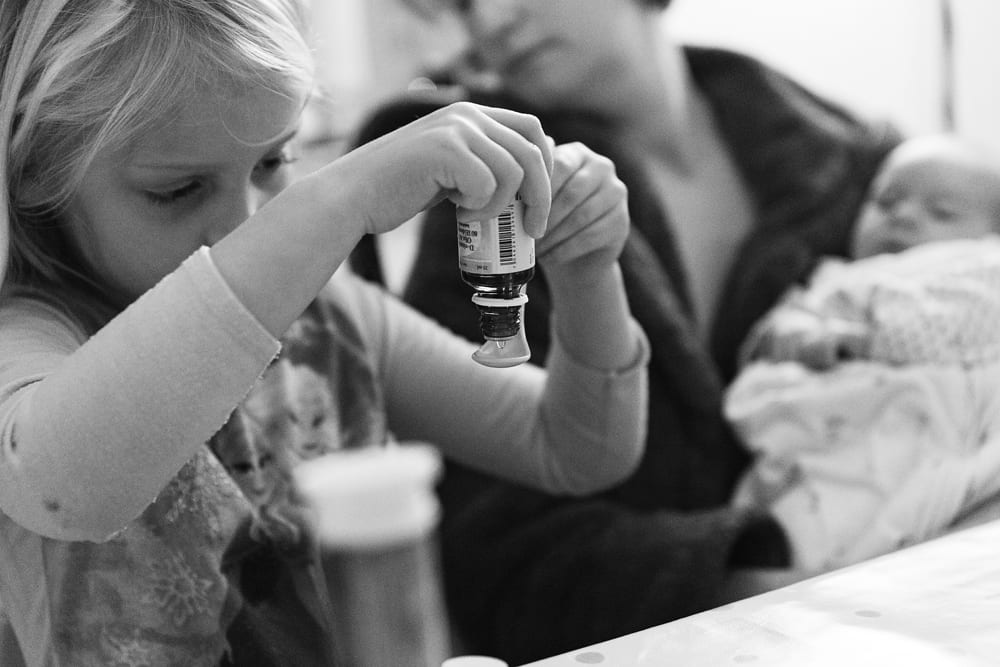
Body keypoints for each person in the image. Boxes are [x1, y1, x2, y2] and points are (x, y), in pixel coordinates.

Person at [0, 0, 652, 664]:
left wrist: (587, 269)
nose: (247, 223)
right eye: (179, 190)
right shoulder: (27, 342)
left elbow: (575, 447)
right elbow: (65, 485)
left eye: (274, 162)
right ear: (37, 178)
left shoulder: (331, 318)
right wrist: (339, 199)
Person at [349, 0, 903, 661]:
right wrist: (779, 596)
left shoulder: (865, 167)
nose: (491, 20)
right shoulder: (499, 206)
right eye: (465, 4)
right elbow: (495, 553)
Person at [728, 134, 1000, 573]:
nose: (904, 216)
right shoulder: (832, 280)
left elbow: (964, 325)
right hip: (844, 446)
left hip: (951, 447)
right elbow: (766, 341)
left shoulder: (983, 269)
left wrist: (877, 335)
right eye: (886, 201)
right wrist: (803, 338)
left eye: (941, 212)